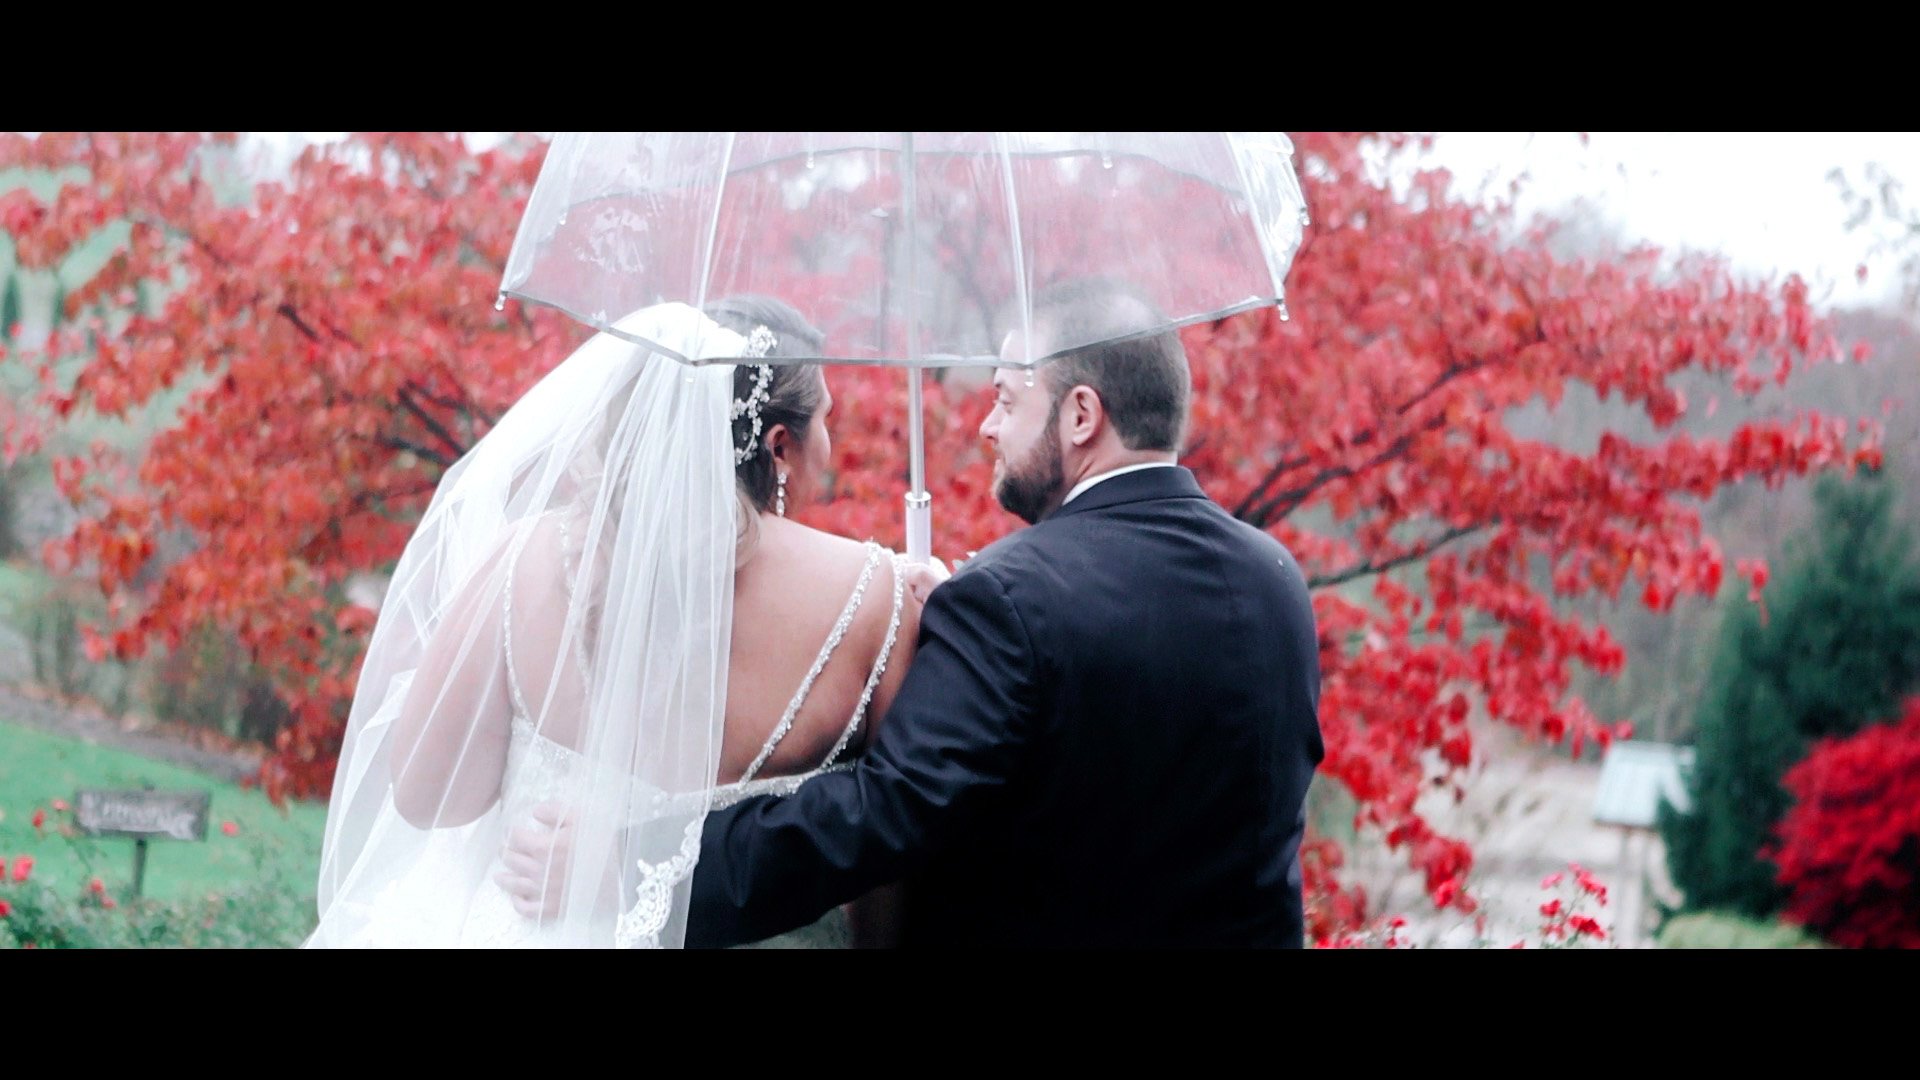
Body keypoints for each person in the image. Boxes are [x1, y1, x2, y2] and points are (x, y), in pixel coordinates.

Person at [541, 276, 1327, 948]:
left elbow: (877, 819)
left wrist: (638, 861)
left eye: (1007, 400)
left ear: (1082, 415)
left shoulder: (1007, 596)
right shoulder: (1277, 581)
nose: (986, 426)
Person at [305, 298, 921, 948]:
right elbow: (895, 856)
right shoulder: (876, 598)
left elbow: (430, 799)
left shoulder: (525, 559)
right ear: (780, 446)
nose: (833, 441)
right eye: (827, 420)